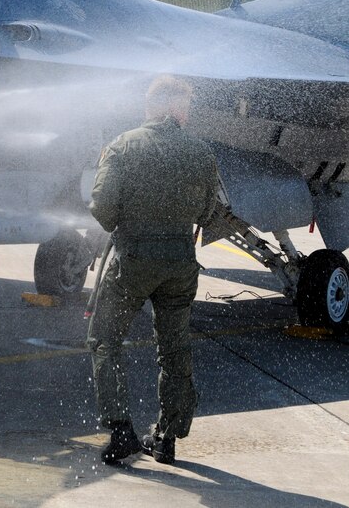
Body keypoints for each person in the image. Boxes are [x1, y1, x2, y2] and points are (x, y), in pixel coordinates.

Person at [86, 75, 219, 465]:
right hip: (180, 263)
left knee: (105, 338)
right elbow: (208, 213)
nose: (189, 116)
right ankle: (166, 437)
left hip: (134, 262)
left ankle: (121, 429)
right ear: (175, 108)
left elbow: (103, 210)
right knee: (174, 347)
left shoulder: (123, 145)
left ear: (150, 107)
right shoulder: (201, 153)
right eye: (188, 109)